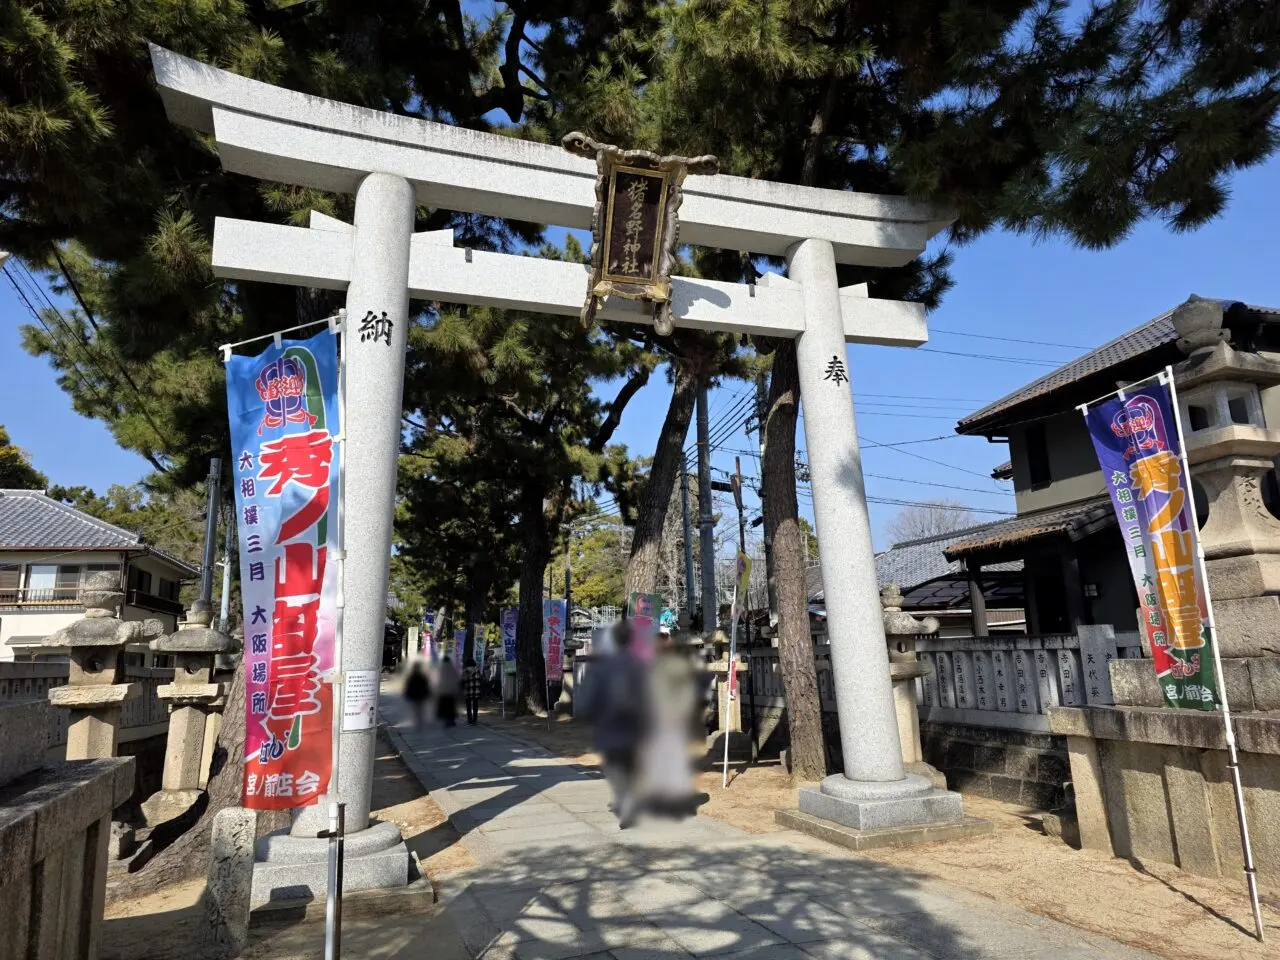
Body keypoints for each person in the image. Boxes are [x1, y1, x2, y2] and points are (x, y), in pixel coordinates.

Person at [578, 621, 649, 828]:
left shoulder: (600, 666)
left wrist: (588, 717)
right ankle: (630, 799)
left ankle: (624, 800)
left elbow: (586, 700)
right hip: (635, 725)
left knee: (614, 767)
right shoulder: (640, 665)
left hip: (608, 726)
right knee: (632, 764)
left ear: (614, 640)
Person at [403, 661, 431, 728]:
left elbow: (408, 686)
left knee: (416, 708)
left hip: (414, 695)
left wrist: (407, 694)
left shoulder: (412, 676)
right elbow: (426, 685)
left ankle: (417, 721)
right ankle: (420, 721)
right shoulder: (422, 676)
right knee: (420, 708)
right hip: (420, 695)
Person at [436, 656, 460, 728]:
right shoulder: (452, 669)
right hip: (452, 691)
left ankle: (446, 720)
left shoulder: (441, 669)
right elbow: (456, 679)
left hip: (444, 692)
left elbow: (439, 680)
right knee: (451, 706)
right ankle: (451, 720)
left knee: (445, 707)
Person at [462, 660, 482, 725]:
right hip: (476, 691)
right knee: (475, 705)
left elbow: (462, 682)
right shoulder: (477, 671)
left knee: (468, 706)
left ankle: (469, 719)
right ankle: (474, 720)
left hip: (467, 691)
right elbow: (481, 679)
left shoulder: (465, 672)